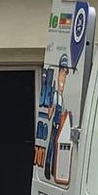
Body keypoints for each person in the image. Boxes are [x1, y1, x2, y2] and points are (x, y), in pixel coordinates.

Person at [41, 55, 71, 184]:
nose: (63, 79)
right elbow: (51, 110)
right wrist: (49, 113)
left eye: (65, 75)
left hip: (60, 124)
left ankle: (53, 168)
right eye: (62, 74)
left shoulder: (62, 96)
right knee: (52, 145)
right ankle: (48, 166)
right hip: (55, 124)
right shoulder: (55, 95)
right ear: (58, 74)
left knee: (57, 146)